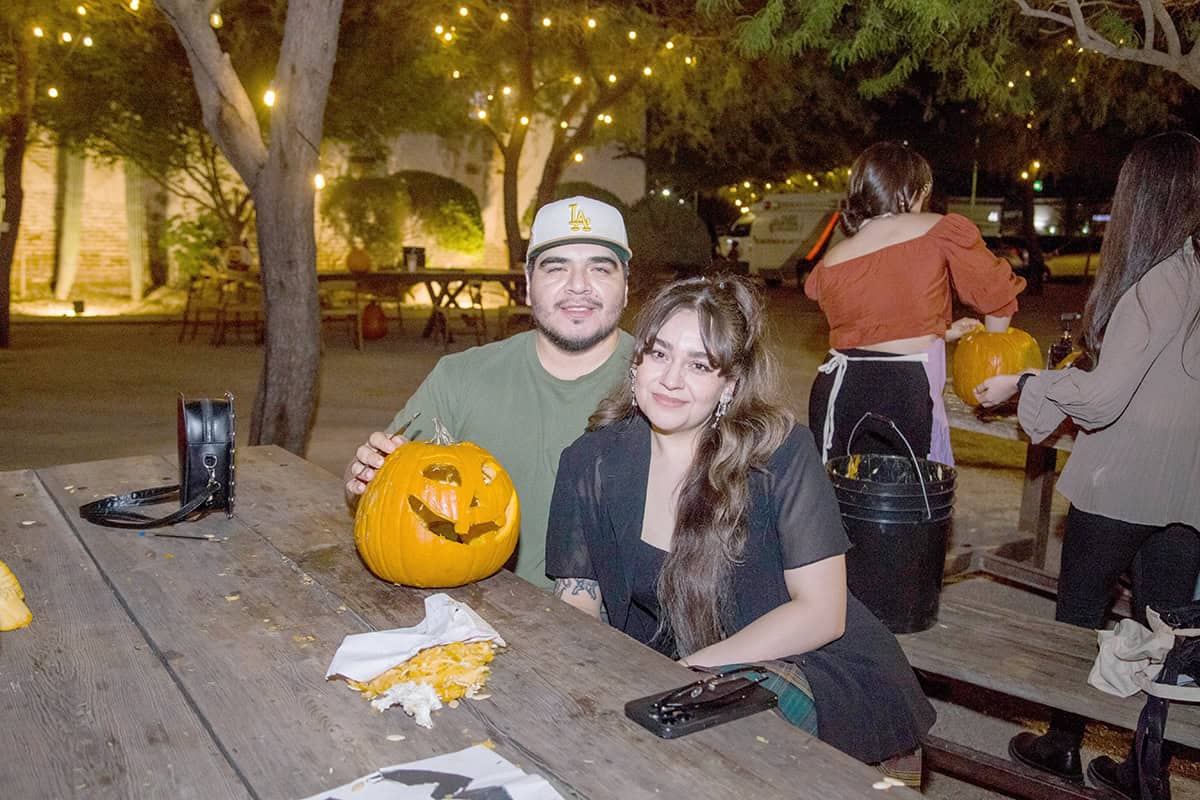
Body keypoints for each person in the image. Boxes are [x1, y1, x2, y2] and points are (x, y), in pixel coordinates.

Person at [546, 275, 935, 771]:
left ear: (729, 385)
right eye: (659, 354)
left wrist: (692, 672)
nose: (670, 379)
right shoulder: (591, 460)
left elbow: (821, 613)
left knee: (705, 758)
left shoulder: (780, 455)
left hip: (811, 664)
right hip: (676, 670)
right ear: (637, 361)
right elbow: (578, 599)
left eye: (700, 365)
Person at [975, 131, 1200, 796]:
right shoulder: (1193, 269)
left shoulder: (1153, 286)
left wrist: (1025, 385)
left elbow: (1102, 400)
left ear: (1141, 198)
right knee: (1168, 636)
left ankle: (1060, 744)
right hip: (1187, 485)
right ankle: (1145, 769)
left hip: (1122, 479)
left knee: (1079, 615)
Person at [345, 196, 636, 589]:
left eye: (600, 268)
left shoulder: (666, 387)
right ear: (529, 287)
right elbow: (383, 490)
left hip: (616, 634)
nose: (578, 286)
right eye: (557, 268)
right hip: (479, 608)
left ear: (625, 286)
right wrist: (360, 477)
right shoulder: (461, 377)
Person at [805, 141, 1026, 465]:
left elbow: (871, 330)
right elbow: (996, 295)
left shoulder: (833, 257)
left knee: (843, 501)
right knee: (906, 501)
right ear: (913, 191)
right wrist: (992, 353)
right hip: (902, 391)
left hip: (838, 388)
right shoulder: (939, 230)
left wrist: (943, 332)